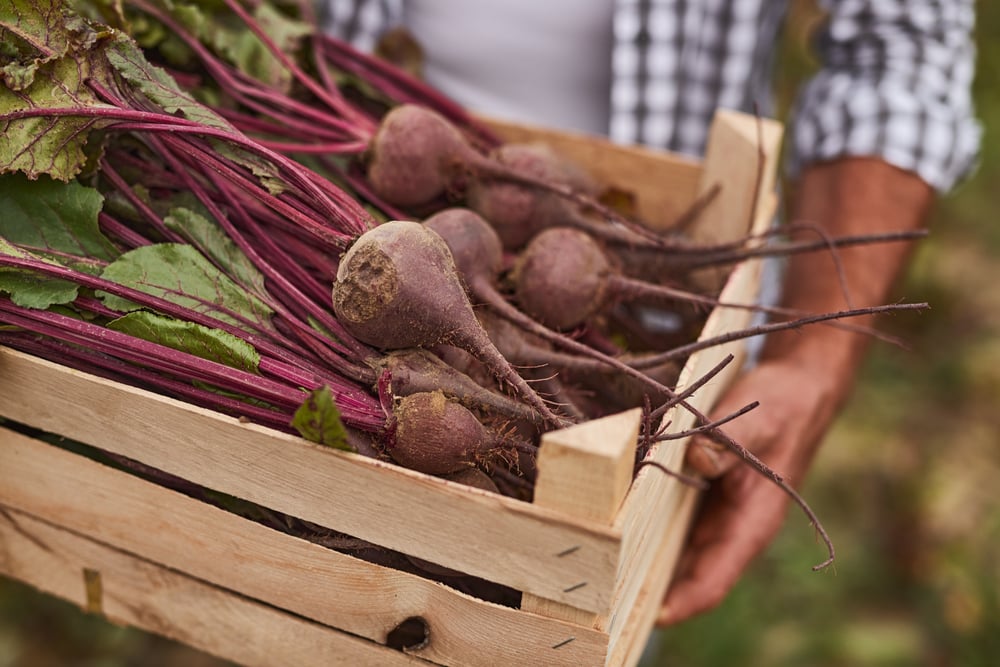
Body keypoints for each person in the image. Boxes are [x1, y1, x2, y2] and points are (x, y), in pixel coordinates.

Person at [321, 0, 980, 625]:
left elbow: (898, 52)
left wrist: (813, 359)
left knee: (599, 552)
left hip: (619, 285)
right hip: (354, 181)